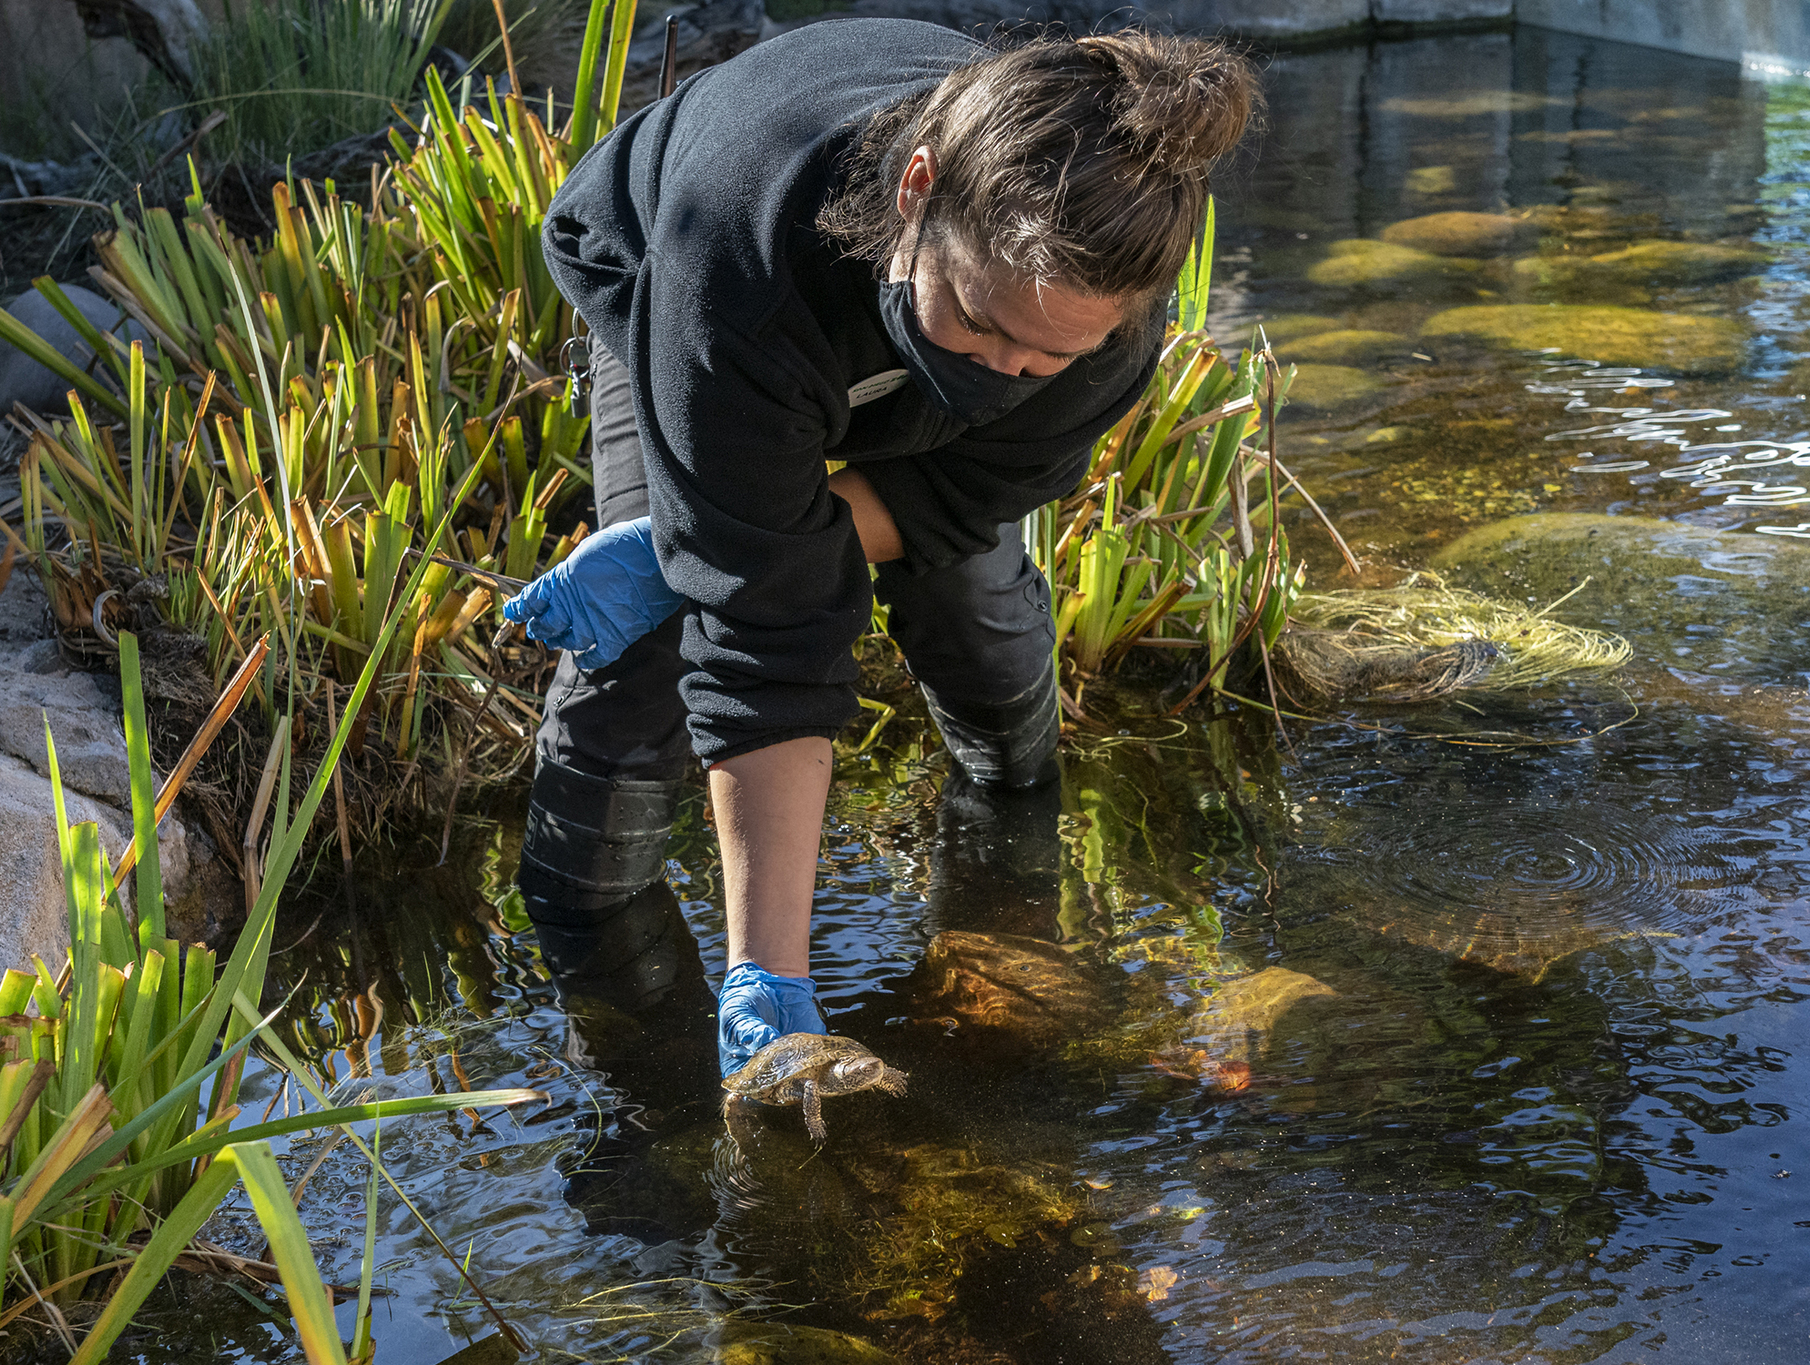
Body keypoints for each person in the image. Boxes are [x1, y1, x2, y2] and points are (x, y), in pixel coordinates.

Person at [504, 17, 1258, 1079]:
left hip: (889, 300)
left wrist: (720, 541)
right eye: (982, 328)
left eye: (1047, 357)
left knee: (977, 620)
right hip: (678, 270)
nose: (1001, 373)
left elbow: (981, 484)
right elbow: (766, 640)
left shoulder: (1098, 303)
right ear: (915, 189)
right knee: (645, 661)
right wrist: (772, 979)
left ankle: (1011, 822)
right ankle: (597, 969)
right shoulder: (738, 245)